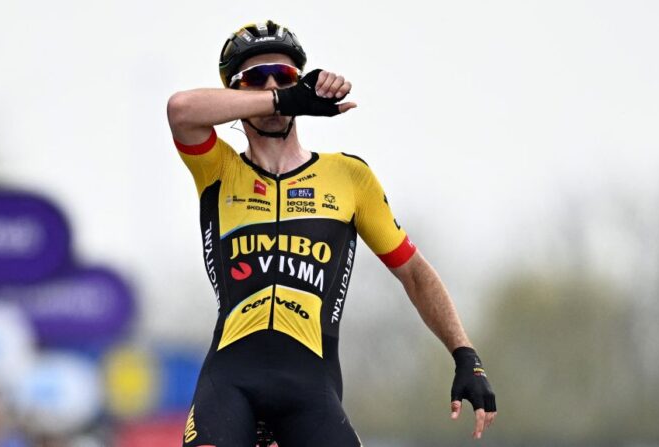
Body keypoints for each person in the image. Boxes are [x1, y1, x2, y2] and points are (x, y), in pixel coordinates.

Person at [166, 20, 497, 447]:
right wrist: (284, 97)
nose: (271, 87)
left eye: (283, 76)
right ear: (234, 93)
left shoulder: (348, 176)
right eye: (255, 79)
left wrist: (464, 353)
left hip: (309, 390)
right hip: (230, 384)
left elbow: (413, 271)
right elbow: (179, 110)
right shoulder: (218, 169)